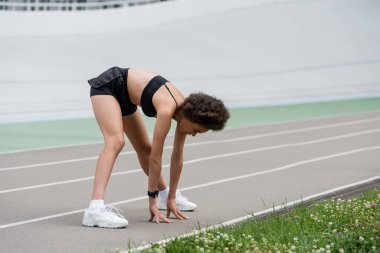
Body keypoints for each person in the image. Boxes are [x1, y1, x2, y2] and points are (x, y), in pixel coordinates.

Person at [82, 66, 230, 228]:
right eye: (196, 130)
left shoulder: (184, 112)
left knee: (145, 148)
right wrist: (151, 199)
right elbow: (156, 159)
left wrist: (171, 197)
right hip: (108, 86)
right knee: (116, 141)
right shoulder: (167, 110)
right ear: (190, 118)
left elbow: (177, 157)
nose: (193, 135)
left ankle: (164, 195)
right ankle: (94, 210)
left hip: (126, 97)